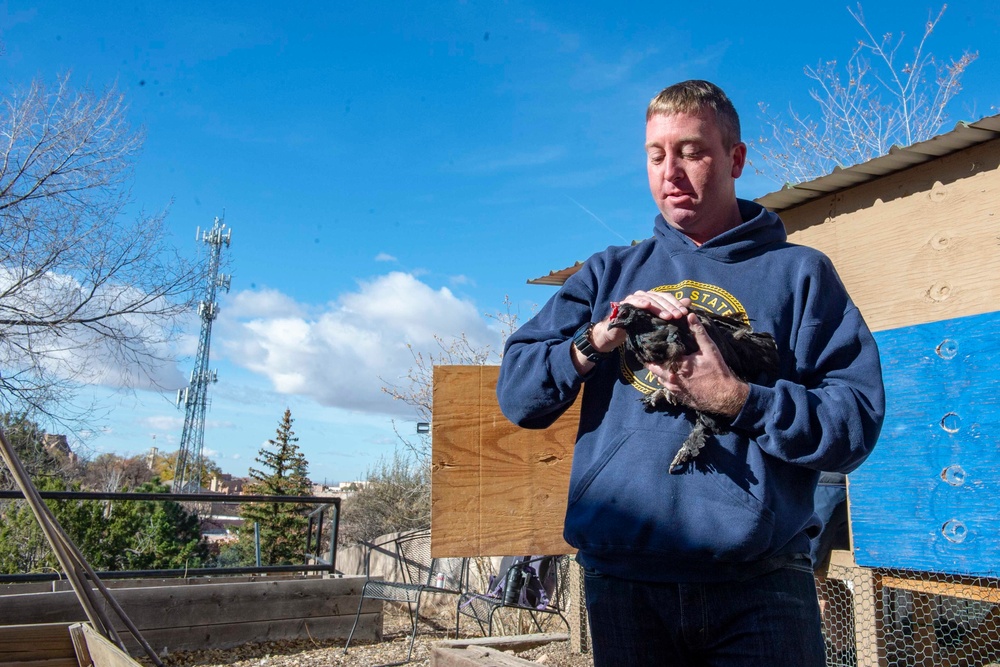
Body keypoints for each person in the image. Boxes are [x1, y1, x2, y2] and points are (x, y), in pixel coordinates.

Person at [496, 80, 885, 666]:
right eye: (656, 156)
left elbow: (853, 424)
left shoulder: (800, 274)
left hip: (761, 582)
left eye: (691, 151)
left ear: (735, 158)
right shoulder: (608, 273)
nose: (670, 172)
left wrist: (737, 399)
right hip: (624, 582)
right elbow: (519, 396)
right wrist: (594, 341)